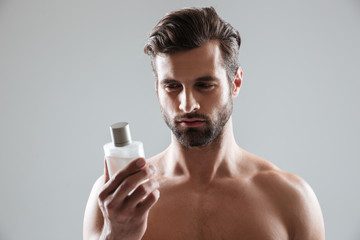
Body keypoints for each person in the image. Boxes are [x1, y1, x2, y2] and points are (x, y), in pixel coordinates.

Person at [83, 6, 325, 240]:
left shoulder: (291, 199)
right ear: (157, 88)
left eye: (204, 85)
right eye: (172, 86)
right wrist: (114, 237)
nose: (187, 105)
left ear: (235, 83)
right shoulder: (116, 201)